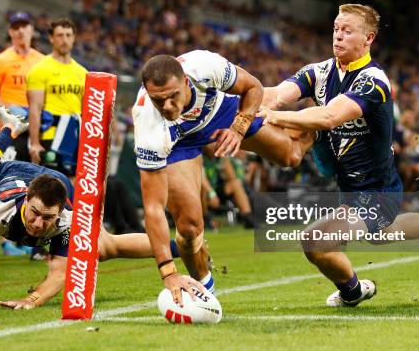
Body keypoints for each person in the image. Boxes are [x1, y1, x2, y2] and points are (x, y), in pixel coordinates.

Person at [259, 4, 419, 307]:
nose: (338, 36)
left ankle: (353, 291)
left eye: (347, 31)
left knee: (315, 241)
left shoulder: (374, 80)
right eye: (337, 28)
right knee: (383, 234)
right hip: (348, 184)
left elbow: (329, 117)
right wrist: (235, 100)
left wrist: (274, 117)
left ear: (369, 38)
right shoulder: (320, 72)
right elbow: (273, 94)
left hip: (377, 189)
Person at [0, 107, 173, 311]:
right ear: (27, 201)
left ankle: (180, 247)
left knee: (104, 248)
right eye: (35, 213)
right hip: (9, 174)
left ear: (60, 212)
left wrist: (32, 300)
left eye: (47, 217)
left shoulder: (66, 220)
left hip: (56, 182)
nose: (39, 224)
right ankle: (8, 131)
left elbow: (60, 273)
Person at [134, 50, 314, 305]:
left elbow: (253, 86)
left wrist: (238, 129)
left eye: (173, 96)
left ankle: (320, 120)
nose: (167, 107)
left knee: (291, 157)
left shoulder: (204, 66)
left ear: (185, 82)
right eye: (158, 100)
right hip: (178, 142)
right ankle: (205, 293)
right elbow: (152, 207)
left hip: (219, 113)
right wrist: (168, 272)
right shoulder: (148, 124)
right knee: (187, 228)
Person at [27, 18, 85, 178]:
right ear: (51, 38)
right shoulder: (40, 69)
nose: (64, 40)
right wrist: (34, 143)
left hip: (74, 136)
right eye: (60, 35)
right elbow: (34, 108)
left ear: (74, 38)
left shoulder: (83, 73)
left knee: (72, 183)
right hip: (50, 136)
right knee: (49, 185)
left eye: (68, 35)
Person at [0, 11, 44, 162]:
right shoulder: (1, 60)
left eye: (24, 26)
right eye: (16, 27)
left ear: (31, 29)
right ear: (10, 32)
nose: (20, 30)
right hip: (11, 125)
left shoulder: (42, 61)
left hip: (37, 124)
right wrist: (7, 109)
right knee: (9, 173)